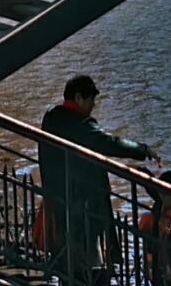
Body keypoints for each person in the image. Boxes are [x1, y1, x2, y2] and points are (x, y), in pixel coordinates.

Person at [38, 75, 156, 284]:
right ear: (79, 98)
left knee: (68, 257)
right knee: (89, 258)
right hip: (82, 201)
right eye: (91, 100)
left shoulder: (51, 118)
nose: (94, 105)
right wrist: (142, 149)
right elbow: (108, 143)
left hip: (57, 197)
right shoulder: (79, 124)